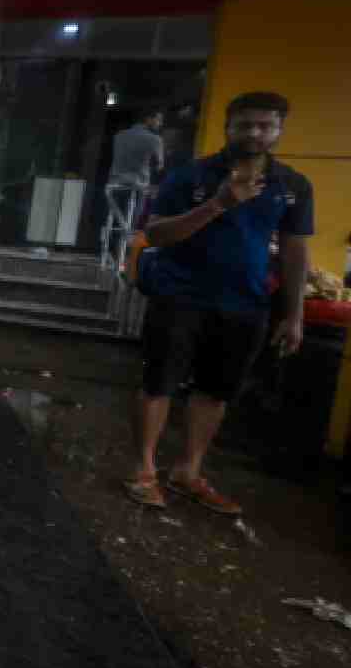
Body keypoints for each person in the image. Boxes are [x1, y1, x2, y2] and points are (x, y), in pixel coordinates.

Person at [127, 92, 313, 514]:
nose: (254, 133)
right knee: (159, 384)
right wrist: (219, 204)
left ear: (279, 131)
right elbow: (155, 235)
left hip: (246, 304)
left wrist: (294, 313)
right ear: (228, 127)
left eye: (265, 125)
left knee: (216, 392)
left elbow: (295, 252)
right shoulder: (189, 176)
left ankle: (187, 472)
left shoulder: (292, 186)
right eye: (244, 124)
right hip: (180, 296)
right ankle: (143, 471)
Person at [103, 110, 164, 264]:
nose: (160, 124)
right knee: (131, 222)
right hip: (137, 185)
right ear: (149, 119)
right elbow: (159, 166)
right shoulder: (154, 139)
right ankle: (122, 256)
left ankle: (108, 254)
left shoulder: (119, 136)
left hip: (114, 183)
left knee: (116, 220)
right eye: (158, 120)